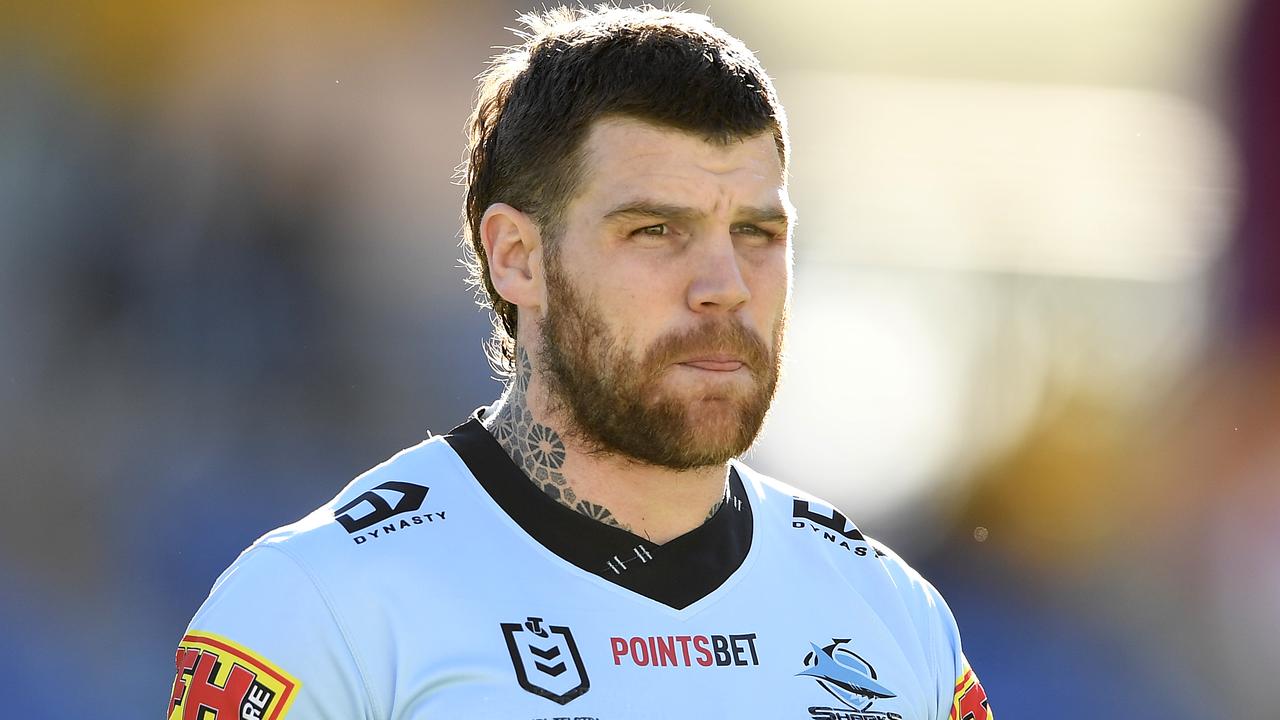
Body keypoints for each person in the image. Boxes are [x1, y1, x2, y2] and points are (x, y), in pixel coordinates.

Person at [168, 7, 992, 719]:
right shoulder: (321, 610)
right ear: (517, 257)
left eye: (756, 233)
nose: (724, 288)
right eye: (654, 231)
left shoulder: (892, 617)